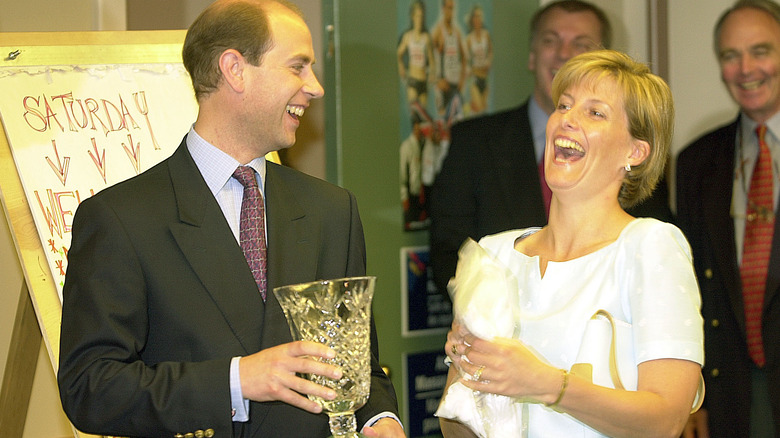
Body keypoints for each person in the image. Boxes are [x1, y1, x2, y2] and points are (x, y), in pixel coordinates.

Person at [56, 1, 404, 437]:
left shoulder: (332, 211)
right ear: (234, 69)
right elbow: (90, 388)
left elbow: (359, 368)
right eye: (298, 67)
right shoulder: (120, 219)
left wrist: (378, 418)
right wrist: (237, 380)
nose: (315, 87)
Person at [438, 49, 704, 437]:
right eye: (563, 105)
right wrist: (471, 374)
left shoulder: (650, 246)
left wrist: (545, 383)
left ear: (635, 152)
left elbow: (666, 421)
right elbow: (455, 423)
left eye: (595, 112)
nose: (567, 120)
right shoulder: (492, 254)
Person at [429, 0, 673, 300]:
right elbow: (448, 253)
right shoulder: (496, 243)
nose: (564, 54)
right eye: (550, 40)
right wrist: (489, 321)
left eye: (581, 44)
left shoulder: (654, 243)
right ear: (532, 55)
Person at [676, 1, 780, 436]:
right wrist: (691, 394)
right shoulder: (697, 162)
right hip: (732, 395)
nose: (745, 68)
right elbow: (690, 290)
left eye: (761, 50)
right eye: (730, 56)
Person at [432, 0, 467, 126]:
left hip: (455, 86)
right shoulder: (438, 31)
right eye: (448, 8)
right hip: (444, 88)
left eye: (452, 8)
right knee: (444, 124)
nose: (450, 12)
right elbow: (428, 58)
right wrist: (437, 80)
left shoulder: (456, 32)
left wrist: (462, 79)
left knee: (458, 123)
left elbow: (464, 58)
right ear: (443, 9)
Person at [397, 0, 436, 110]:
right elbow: (398, 54)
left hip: (423, 81)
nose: (419, 20)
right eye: (417, 16)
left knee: (422, 116)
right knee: (415, 114)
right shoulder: (408, 36)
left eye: (421, 17)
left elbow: (432, 60)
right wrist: (401, 66)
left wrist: (432, 73)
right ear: (413, 17)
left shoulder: (426, 37)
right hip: (413, 81)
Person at [465, 4, 493, 115]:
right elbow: (466, 61)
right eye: (476, 16)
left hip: (485, 77)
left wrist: (488, 61)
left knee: (483, 110)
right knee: (480, 107)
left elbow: (490, 51)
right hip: (475, 78)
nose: (478, 19)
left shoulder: (486, 35)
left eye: (480, 16)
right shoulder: (469, 39)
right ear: (472, 19)